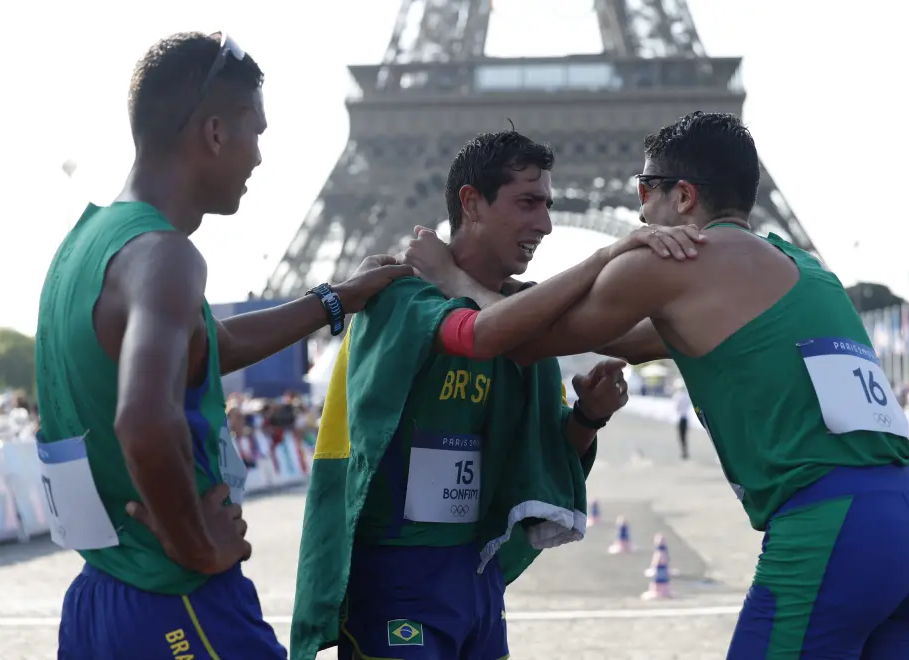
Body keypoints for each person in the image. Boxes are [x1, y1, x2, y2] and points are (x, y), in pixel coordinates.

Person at [404, 111, 909, 659]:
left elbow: (519, 340)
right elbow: (638, 340)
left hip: (831, 531)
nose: (640, 210)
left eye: (645, 189)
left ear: (683, 195)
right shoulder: (801, 267)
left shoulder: (673, 259)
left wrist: (454, 280)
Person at [34, 31, 410, 660]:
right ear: (214, 133)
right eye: (255, 132)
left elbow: (209, 346)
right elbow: (143, 420)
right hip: (177, 600)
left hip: (101, 597)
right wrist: (195, 543)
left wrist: (336, 298)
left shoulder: (89, 244)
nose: (258, 156)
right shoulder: (166, 256)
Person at [290, 130, 704, 660]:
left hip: (475, 574)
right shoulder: (401, 295)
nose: (546, 224)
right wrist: (609, 254)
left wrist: (588, 417)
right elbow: (481, 334)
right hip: (397, 574)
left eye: (549, 205)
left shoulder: (526, 315)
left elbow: (549, 453)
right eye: (528, 202)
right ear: (471, 202)